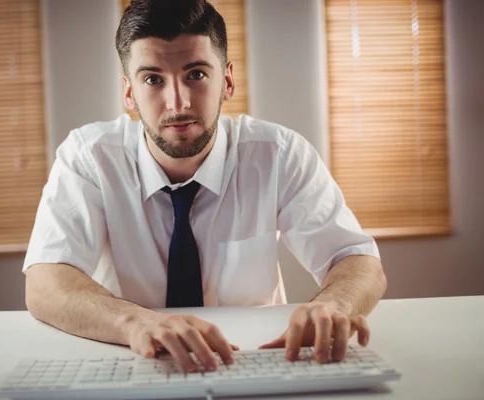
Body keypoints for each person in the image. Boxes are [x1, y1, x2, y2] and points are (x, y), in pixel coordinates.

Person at [23, 0, 387, 374]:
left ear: (227, 80)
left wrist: (336, 306)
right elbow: (45, 283)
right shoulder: (89, 157)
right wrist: (136, 322)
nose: (177, 103)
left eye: (195, 74)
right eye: (152, 79)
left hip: (256, 360)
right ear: (129, 93)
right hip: (132, 360)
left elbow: (357, 260)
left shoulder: (279, 154)